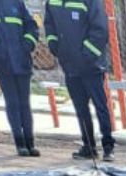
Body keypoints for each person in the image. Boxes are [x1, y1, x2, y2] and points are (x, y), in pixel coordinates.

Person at [44, 0, 114, 161]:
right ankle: (88, 147)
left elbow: (100, 30)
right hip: (70, 66)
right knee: (81, 109)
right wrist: (54, 46)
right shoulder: (52, 2)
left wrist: (86, 55)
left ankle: (108, 146)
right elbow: (50, 25)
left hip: (92, 67)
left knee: (100, 106)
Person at [0, 0, 40, 156]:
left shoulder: (17, 3)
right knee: (12, 102)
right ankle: (20, 143)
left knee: (24, 103)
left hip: (21, 60)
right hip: (1, 61)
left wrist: (28, 43)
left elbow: (31, 25)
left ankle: (30, 143)